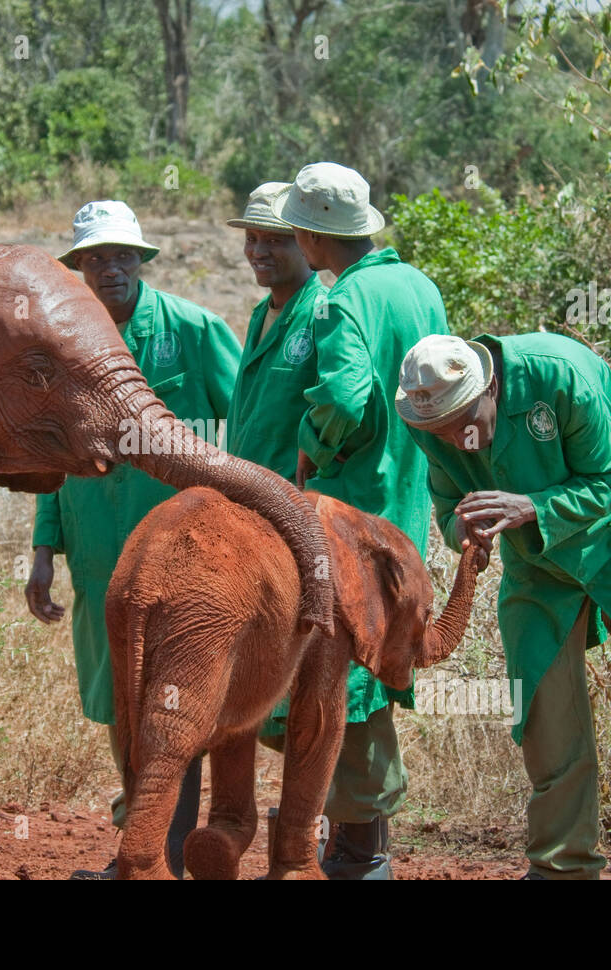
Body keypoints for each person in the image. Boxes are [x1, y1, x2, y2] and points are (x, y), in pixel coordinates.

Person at [395, 332, 611, 879]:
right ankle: (561, 869)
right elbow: (446, 496)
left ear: (492, 386)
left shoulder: (558, 376)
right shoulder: (430, 423)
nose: (459, 440)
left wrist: (534, 504)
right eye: (440, 431)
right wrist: (464, 528)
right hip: (540, 558)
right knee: (546, 716)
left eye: (464, 422)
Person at [24, 200, 242, 879]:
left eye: (122, 256)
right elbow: (50, 451)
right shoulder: (62, 342)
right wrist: (42, 548)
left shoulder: (195, 331)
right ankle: (146, 854)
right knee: (125, 705)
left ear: (141, 261)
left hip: (186, 560)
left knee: (181, 704)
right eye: (95, 258)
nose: (109, 268)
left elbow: (246, 431)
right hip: (97, 557)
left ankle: (166, 855)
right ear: (79, 267)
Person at [263, 163, 450, 878]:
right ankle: (357, 836)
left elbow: (344, 393)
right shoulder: (417, 287)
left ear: (311, 237)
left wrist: (311, 450)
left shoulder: (346, 300)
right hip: (406, 495)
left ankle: (356, 848)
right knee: (375, 651)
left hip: (351, 506)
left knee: (340, 665)